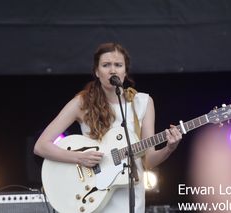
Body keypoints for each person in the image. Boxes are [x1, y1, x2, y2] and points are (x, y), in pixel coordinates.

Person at [33, 42, 182, 213]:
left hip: (132, 197)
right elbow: (41, 146)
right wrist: (78, 158)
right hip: (94, 194)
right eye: (106, 65)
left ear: (125, 72)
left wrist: (169, 148)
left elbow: (148, 160)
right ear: (97, 71)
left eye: (118, 65)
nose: (113, 70)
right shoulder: (82, 103)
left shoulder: (143, 103)